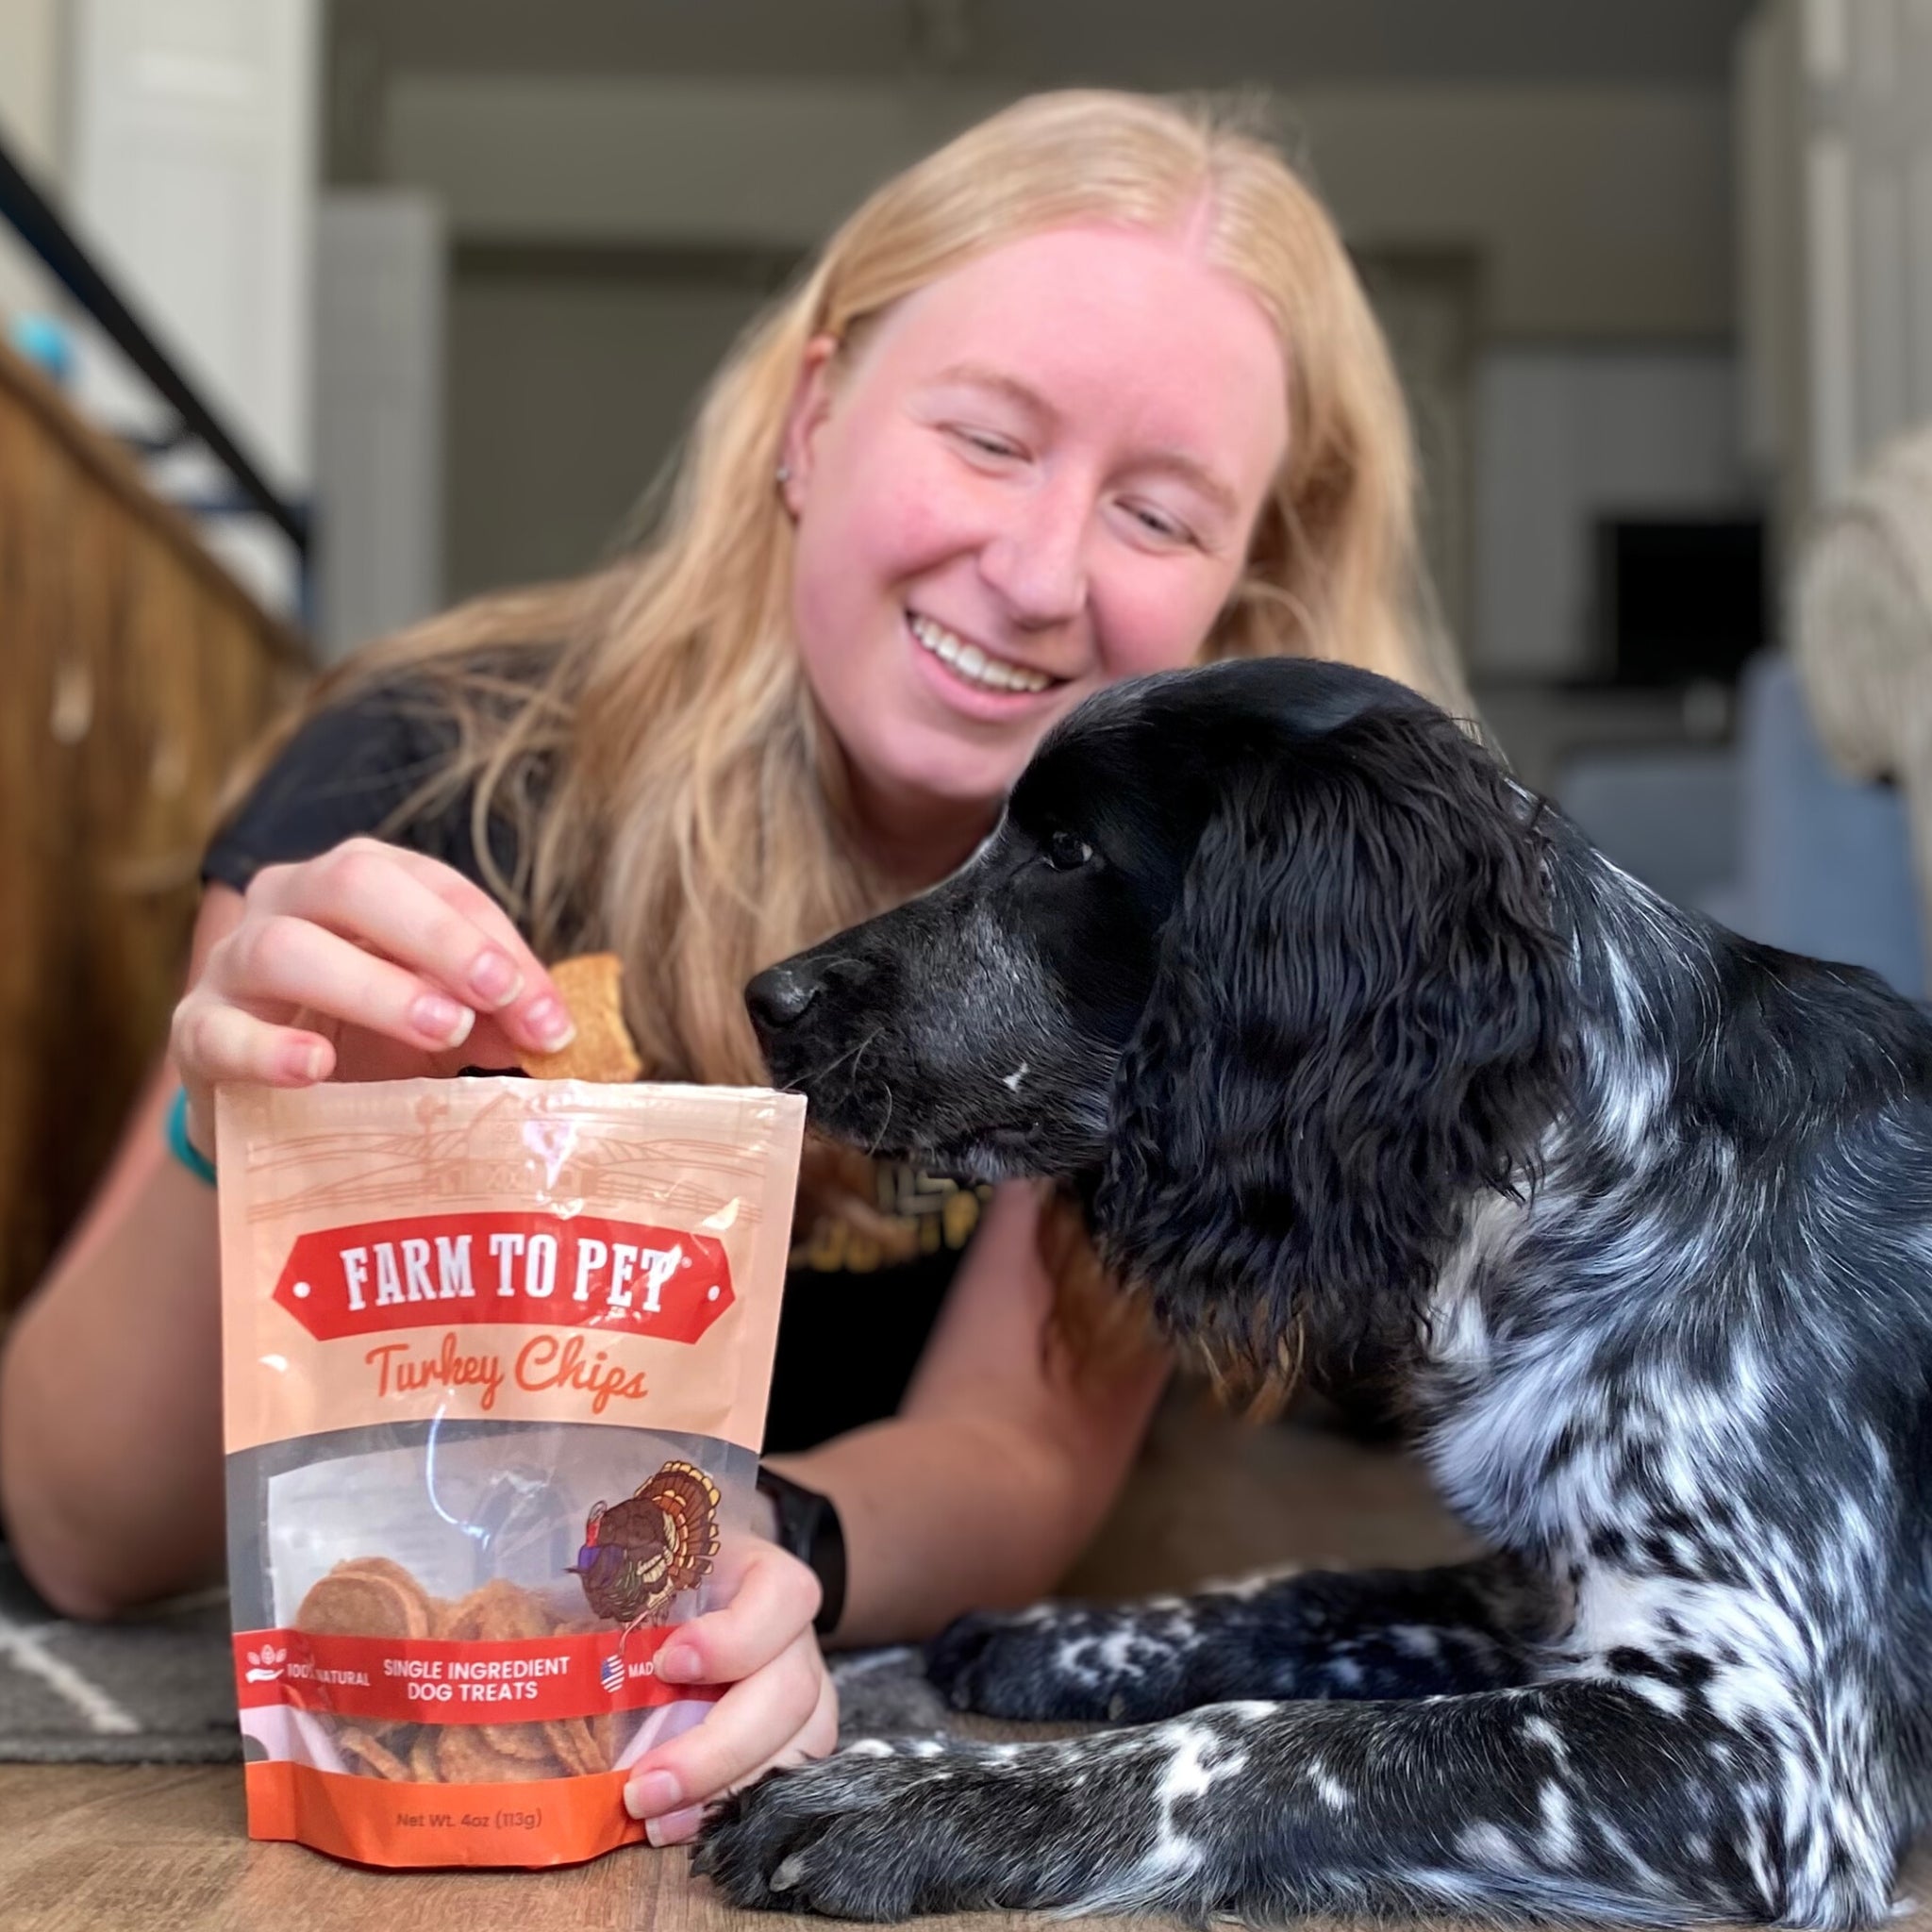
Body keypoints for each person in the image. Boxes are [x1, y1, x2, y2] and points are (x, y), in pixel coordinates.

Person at [0, 90, 1466, 1845]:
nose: (1036, 572)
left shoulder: (1191, 925)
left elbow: (1014, 1445)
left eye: (1158, 518)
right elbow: (84, 1530)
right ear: (812, 418)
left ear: (1244, 593)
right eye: (989, 442)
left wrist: (772, 1544)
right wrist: (227, 1135)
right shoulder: (436, 778)